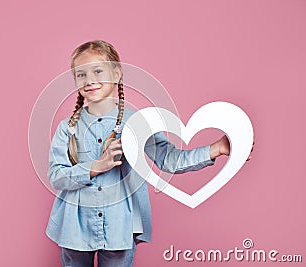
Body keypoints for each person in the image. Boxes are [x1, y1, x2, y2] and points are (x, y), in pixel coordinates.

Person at [45, 40, 253, 267]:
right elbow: (56, 175)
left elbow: (170, 160)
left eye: (97, 71)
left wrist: (217, 149)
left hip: (120, 227)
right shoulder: (67, 127)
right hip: (74, 228)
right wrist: (97, 166)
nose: (90, 80)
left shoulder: (138, 122)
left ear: (116, 73)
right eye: (81, 74)